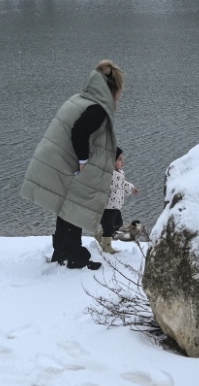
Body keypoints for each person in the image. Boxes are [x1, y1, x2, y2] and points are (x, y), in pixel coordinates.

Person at [21, 60, 125, 270]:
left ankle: (61, 251)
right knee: (74, 207)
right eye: (119, 92)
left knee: (65, 206)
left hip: (54, 157)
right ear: (112, 90)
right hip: (64, 160)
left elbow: (87, 135)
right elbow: (79, 131)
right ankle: (74, 256)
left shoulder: (81, 99)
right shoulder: (97, 109)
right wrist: (84, 162)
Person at [96, 147, 139, 254]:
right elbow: (112, 184)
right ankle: (106, 246)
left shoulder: (119, 173)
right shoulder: (107, 175)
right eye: (119, 160)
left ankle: (100, 235)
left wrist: (131, 188)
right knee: (109, 227)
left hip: (116, 206)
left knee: (118, 224)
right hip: (106, 208)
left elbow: (123, 183)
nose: (122, 162)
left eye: (122, 159)